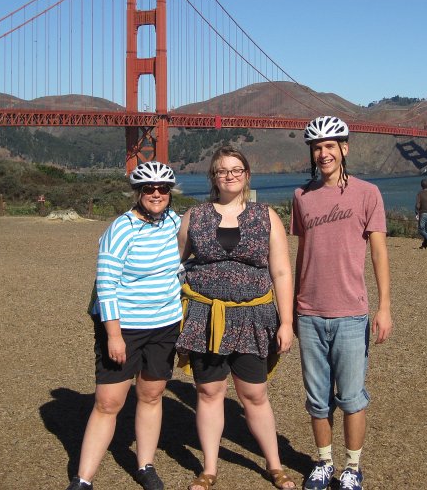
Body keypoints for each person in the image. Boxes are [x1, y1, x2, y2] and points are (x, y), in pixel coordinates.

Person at [176, 146, 296, 490]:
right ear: (213, 177)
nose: (229, 176)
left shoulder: (266, 216)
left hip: (254, 317)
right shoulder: (194, 216)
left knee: (254, 394)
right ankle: (209, 469)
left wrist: (287, 322)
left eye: (236, 170)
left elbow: (281, 272)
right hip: (205, 318)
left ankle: (275, 466)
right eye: (222, 170)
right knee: (209, 392)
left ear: (246, 175)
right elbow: (174, 264)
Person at [290, 117, 393, 490]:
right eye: (317, 147)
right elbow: (302, 253)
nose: (323, 153)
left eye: (330, 146)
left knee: (352, 398)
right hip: (309, 313)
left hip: (351, 313)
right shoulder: (301, 196)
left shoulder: (368, 193)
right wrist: (293, 307)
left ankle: (352, 468)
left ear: (344, 149)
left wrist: (384, 307)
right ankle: (323, 463)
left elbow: (379, 252)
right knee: (317, 399)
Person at [67, 161, 183, 490]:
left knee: (152, 395)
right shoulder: (121, 229)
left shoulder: (174, 222)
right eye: (149, 188)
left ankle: (145, 466)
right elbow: (106, 285)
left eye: (163, 188)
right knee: (108, 402)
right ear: (137, 192)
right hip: (125, 329)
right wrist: (114, 335)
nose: (157, 194)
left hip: (165, 325)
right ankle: (83, 479)